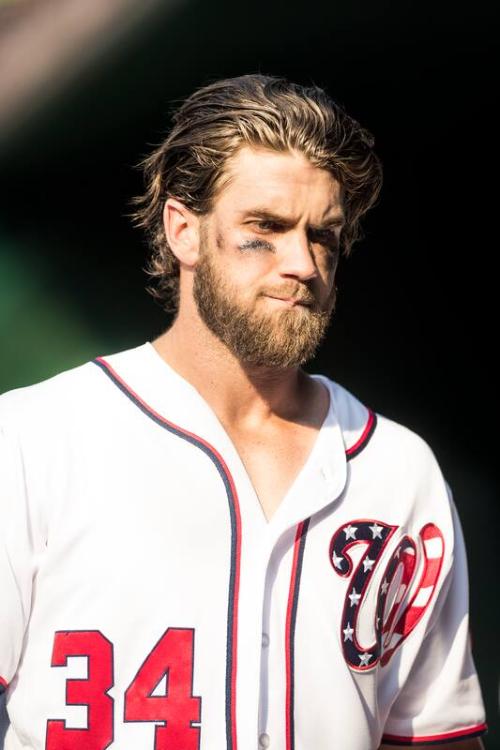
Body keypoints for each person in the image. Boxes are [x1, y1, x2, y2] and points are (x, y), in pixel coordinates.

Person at [0, 74, 487, 749]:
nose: (303, 263)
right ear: (184, 231)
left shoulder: (398, 471)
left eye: (324, 236)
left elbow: (437, 737)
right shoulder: (34, 439)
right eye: (265, 228)